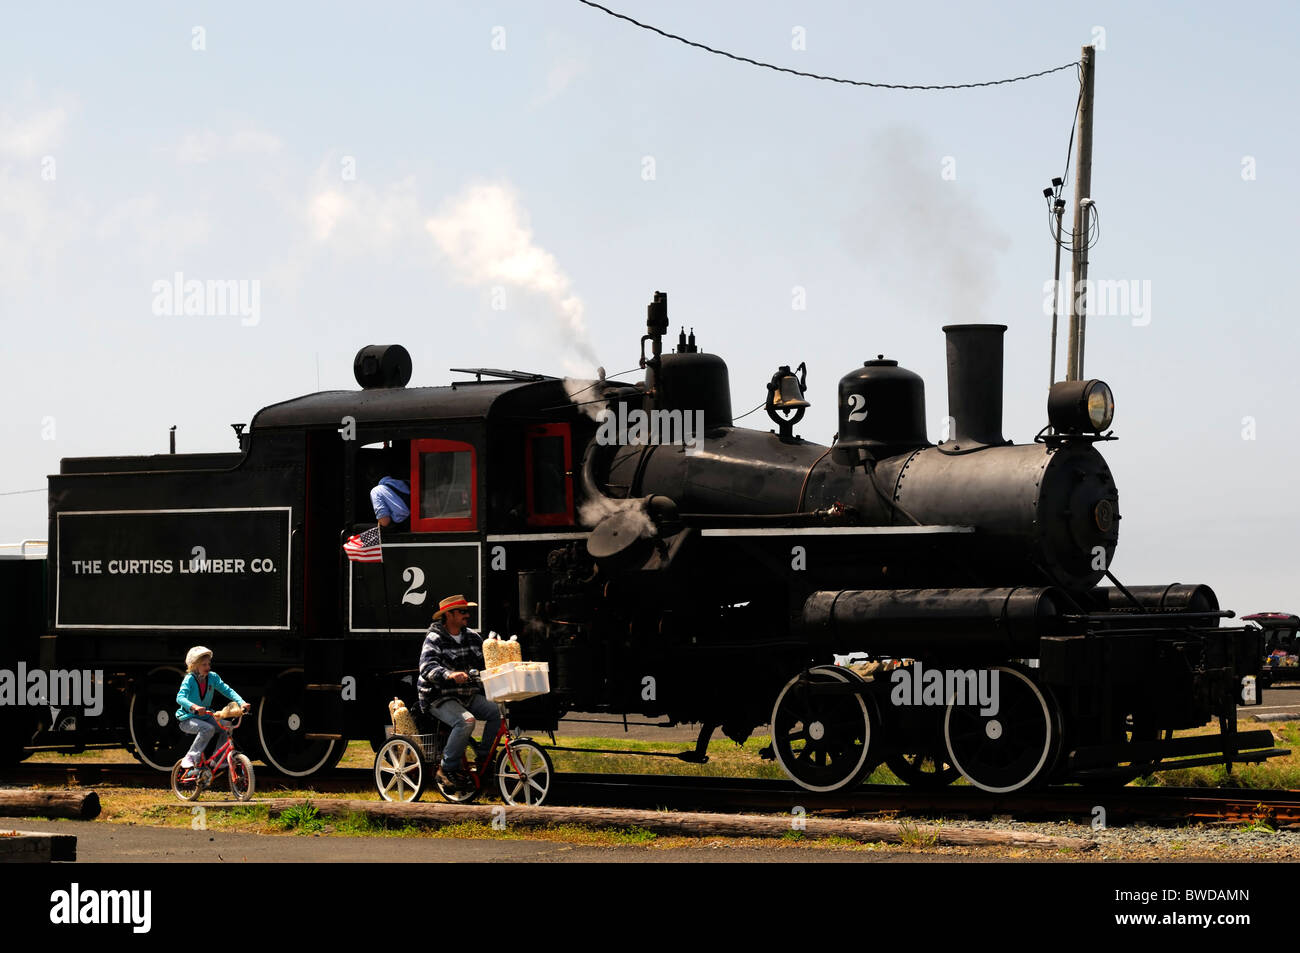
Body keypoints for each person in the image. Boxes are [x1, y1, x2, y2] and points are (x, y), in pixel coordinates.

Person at [417, 594, 500, 791]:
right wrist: (450, 675)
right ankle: (446, 769)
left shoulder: (472, 636)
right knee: (466, 721)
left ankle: (484, 759)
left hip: (465, 694)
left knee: (497, 713)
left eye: (467, 611)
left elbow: (484, 663)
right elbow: (426, 668)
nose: (467, 615)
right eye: (463, 611)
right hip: (438, 696)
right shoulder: (434, 638)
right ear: (449, 615)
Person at [175, 646, 250, 769]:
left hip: (205, 716)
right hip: (187, 719)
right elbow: (180, 698)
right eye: (204, 665)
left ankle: (218, 759)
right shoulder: (189, 679)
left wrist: (241, 702)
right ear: (195, 666)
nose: (208, 667)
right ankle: (191, 757)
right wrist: (194, 707)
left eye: (208, 664)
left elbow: (227, 690)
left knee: (227, 726)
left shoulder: (212, 677)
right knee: (208, 729)